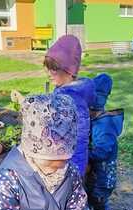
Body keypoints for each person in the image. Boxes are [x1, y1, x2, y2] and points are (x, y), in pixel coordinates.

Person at [44, 35, 95, 175]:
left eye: (53, 69)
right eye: (47, 68)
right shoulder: (69, 92)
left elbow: (71, 139)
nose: (49, 73)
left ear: (69, 71)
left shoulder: (71, 99)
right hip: (68, 162)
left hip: (69, 166)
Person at [87, 73, 124, 210]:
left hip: (104, 173)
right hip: (95, 172)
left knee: (99, 198)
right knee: (88, 195)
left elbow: (102, 152)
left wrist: (84, 154)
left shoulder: (104, 124)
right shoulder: (94, 120)